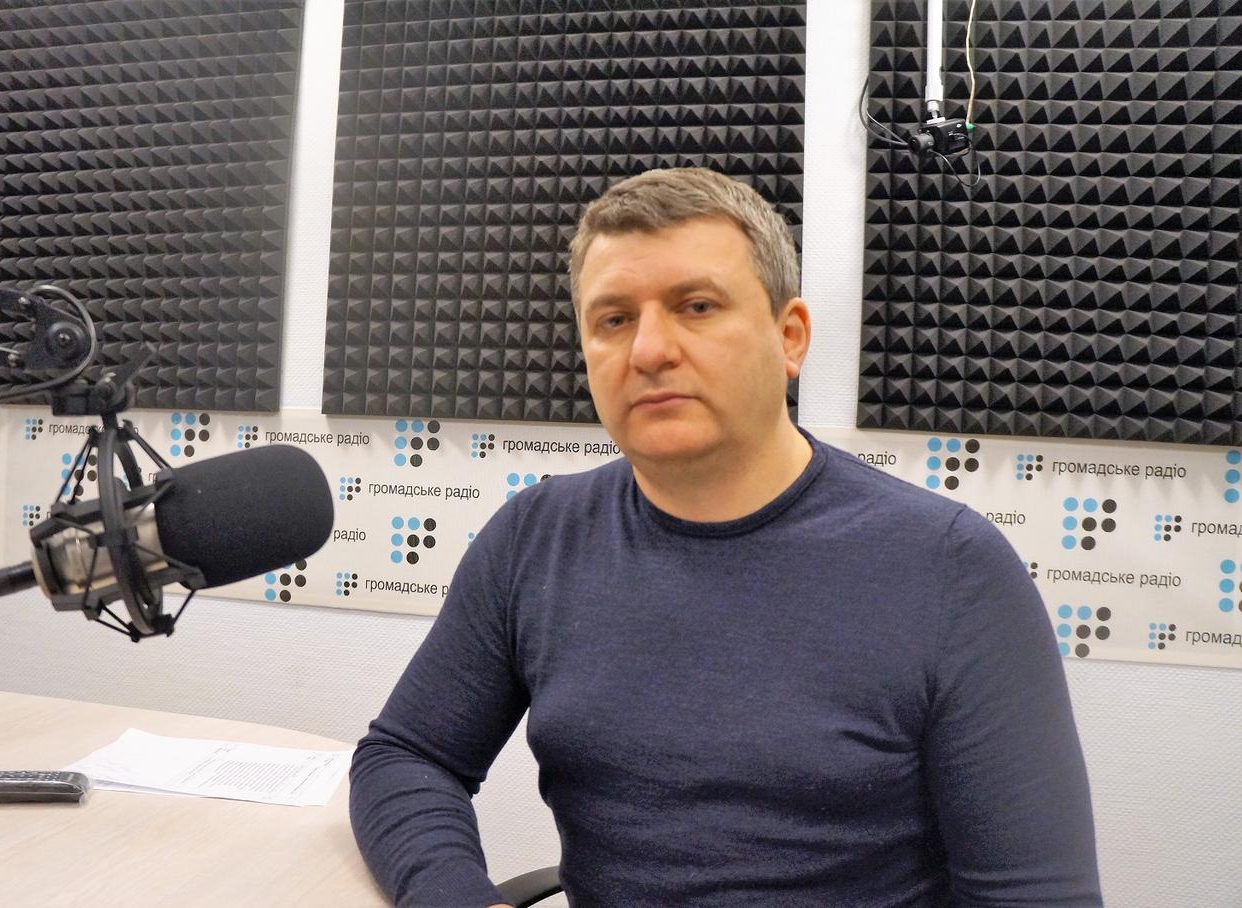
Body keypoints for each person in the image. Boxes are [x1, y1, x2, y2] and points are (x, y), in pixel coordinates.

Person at [349, 167, 1102, 907]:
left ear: (790, 337)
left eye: (697, 306)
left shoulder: (952, 570)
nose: (649, 350)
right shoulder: (535, 539)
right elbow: (407, 756)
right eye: (614, 320)